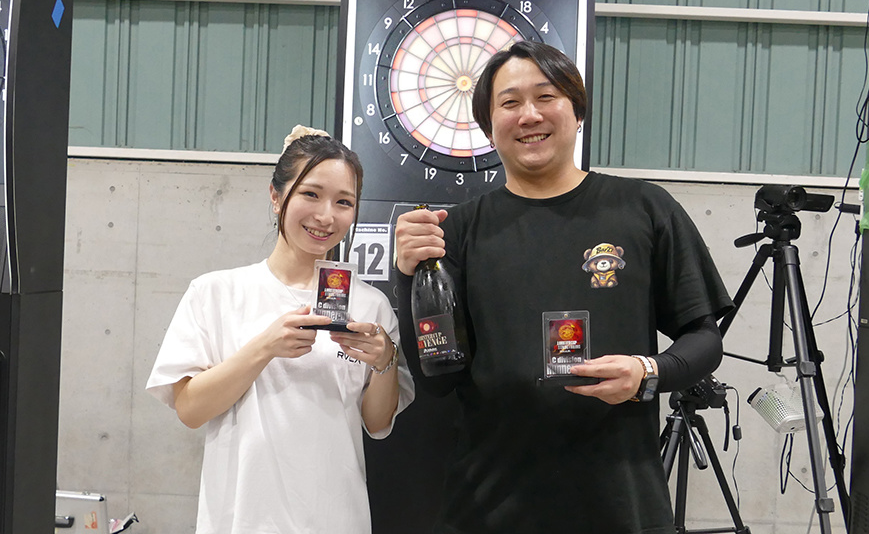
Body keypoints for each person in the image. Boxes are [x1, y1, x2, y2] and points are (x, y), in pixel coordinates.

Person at [395, 41, 733, 534]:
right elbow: (437, 379)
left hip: (622, 503)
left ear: (577, 112)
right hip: (489, 507)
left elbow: (704, 339)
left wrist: (647, 372)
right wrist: (409, 274)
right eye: (510, 103)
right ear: (489, 128)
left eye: (546, 96)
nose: (529, 115)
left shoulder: (644, 208)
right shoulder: (457, 231)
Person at [146, 125, 414, 534]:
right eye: (311, 194)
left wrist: (384, 359)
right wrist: (265, 347)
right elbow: (190, 410)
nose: (326, 216)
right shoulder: (215, 292)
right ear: (276, 196)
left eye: (344, 202)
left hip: (336, 519)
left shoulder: (369, 305)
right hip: (241, 520)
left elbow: (377, 425)